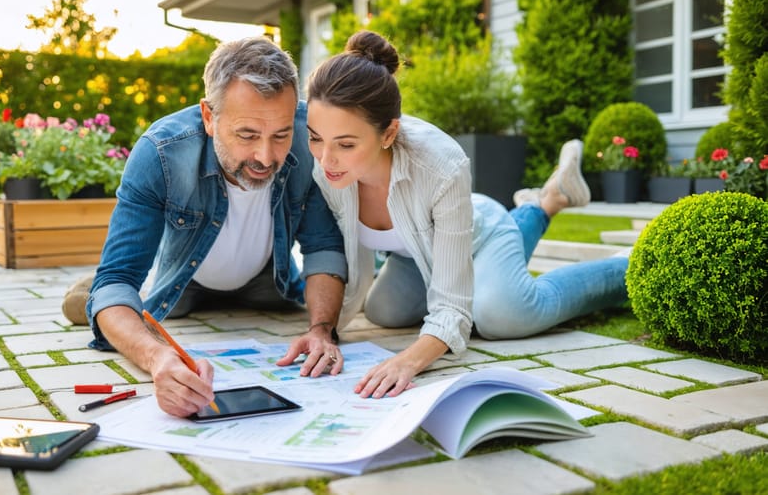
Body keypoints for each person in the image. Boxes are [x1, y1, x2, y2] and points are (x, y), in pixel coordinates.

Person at [301, 31, 629, 399]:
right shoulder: (327, 169)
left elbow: (454, 309)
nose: (325, 160)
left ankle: (625, 269)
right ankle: (547, 201)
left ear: (389, 133)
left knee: (499, 316)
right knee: (384, 312)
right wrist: (322, 329)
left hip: (482, 233)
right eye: (315, 138)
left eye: (345, 144)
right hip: (417, 255)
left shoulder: (442, 165)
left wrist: (409, 360)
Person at [85, 37, 348, 417]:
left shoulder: (311, 140)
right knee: (115, 297)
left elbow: (322, 245)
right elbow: (116, 278)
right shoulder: (159, 153)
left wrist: (323, 329)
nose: (266, 156)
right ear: (209, 117)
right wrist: (159, 359)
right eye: (247, 135)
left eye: (280, 135)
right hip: (181, 286)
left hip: (268, 282)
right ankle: (98, 306)